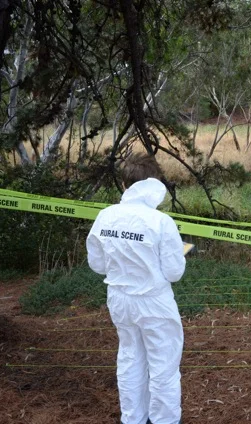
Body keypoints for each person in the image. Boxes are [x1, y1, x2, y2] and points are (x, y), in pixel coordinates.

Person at [86, 178, 186, 424]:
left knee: (130, 358)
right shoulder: (160, 221)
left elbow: (97, 264)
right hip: (154, 302)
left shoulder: (106, 216)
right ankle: (165, 420)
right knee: (163, 363)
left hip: (120, 300)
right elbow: (174, 272)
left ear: (123, 183)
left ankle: (133, 419)